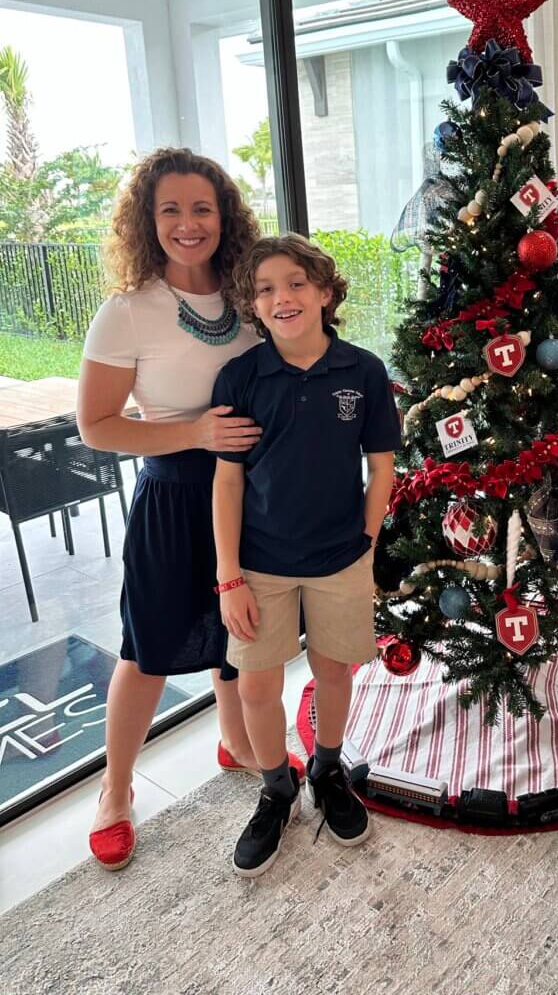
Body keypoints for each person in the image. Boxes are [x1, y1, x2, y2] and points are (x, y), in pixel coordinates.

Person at [77, 148, 304, 871]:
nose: (187, 223)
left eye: (202, 208)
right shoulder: (127, 311)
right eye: (170, 209)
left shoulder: (248, 294)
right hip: (174, 500)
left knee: (242, 629)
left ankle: (236, 742)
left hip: (255, 492)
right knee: (147, 648)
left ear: (224, 215)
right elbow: (97, 426)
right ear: (147, 220)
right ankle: (115, 790)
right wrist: (196, 434)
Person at [211, 233, 400, 877]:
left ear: (324, 292)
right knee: (256, 684)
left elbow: (381, 466)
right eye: (266, 289)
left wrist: (367, 542)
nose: (282, 298)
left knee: (334, 670)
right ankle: (276, 787)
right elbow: (228, 481)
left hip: (340, 558)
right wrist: (228, 576)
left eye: (295, 283)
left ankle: (326, 768)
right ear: (253, 305)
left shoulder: (363, 371)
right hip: (258, 563)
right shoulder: (241, 377)